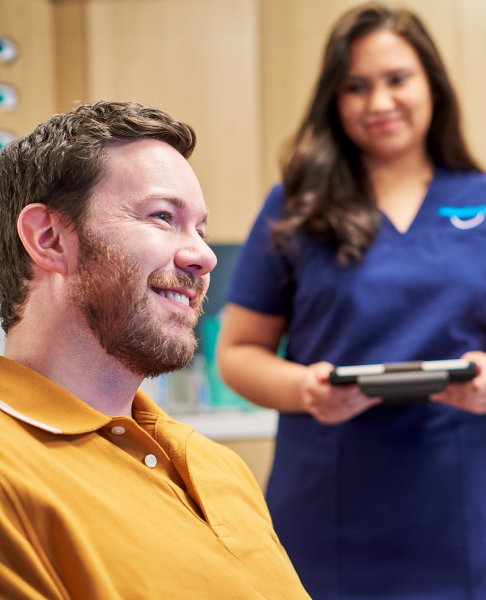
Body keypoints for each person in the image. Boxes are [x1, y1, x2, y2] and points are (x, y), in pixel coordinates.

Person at [217, 3, 486, 599]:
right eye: (355, 87)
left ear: (432, 84)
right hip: (329, 494)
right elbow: (238, 352)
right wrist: (305, 391)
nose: (378, 103)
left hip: (458, 498)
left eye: (397, 79)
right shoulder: (294, 205)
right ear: (334, 100)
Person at [0, 101, 311, 599]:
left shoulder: (219, 468)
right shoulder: (10, 472)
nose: (204, 257)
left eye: (201, 230)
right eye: (163, 217)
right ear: (50, 238)